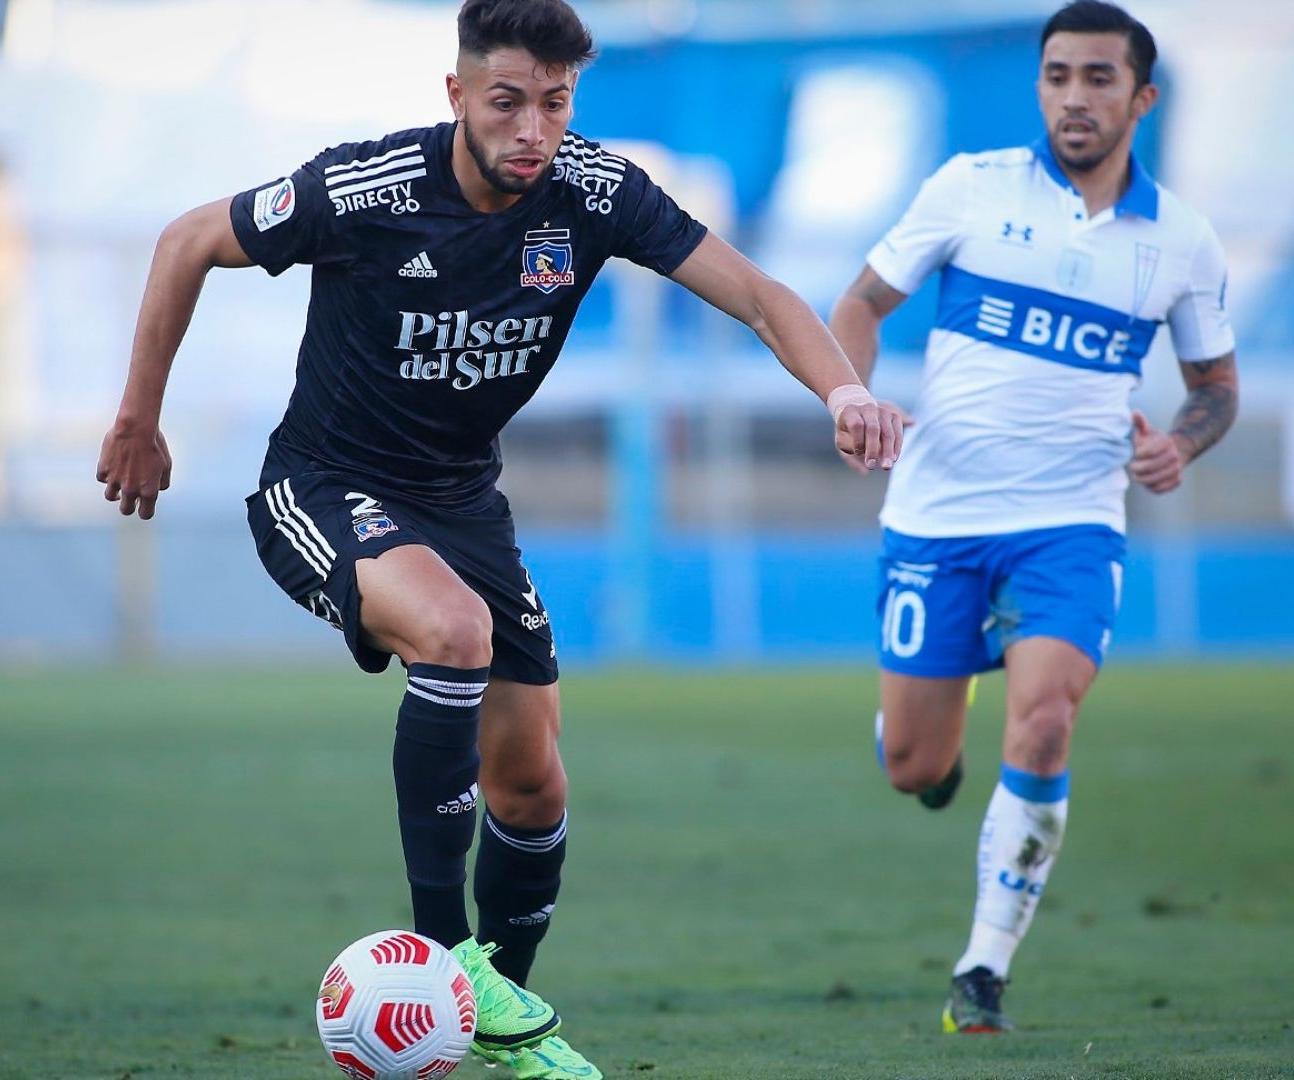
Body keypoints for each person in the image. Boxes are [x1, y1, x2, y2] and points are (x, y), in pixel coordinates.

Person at [96, 1, 906, 1074]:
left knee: (533, 782)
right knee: (455, 631)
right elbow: (188, 239)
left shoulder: (597, 191)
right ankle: (442, 962)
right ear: (457, 97)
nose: (533, 128)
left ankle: (500, 1019)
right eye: (508, 101)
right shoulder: (365, 190)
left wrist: (844, 390)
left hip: (463, 502)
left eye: (555, 104)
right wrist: (139, 417)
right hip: (323, 484)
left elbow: (757, 295)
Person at [829, 0, 1238, 1035]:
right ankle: (930, 736)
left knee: (1048, 717)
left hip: (1073, 520)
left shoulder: (1182, 241)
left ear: (1141, 98)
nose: (1074, 97)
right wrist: (855, 397)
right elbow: (859, 307)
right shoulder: (970, 187)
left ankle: (982, 970)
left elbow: (1215, 387)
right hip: (937, 513)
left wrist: (1177, 444)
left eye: (1099, 78)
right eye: (1058, 76)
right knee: (913, 766)